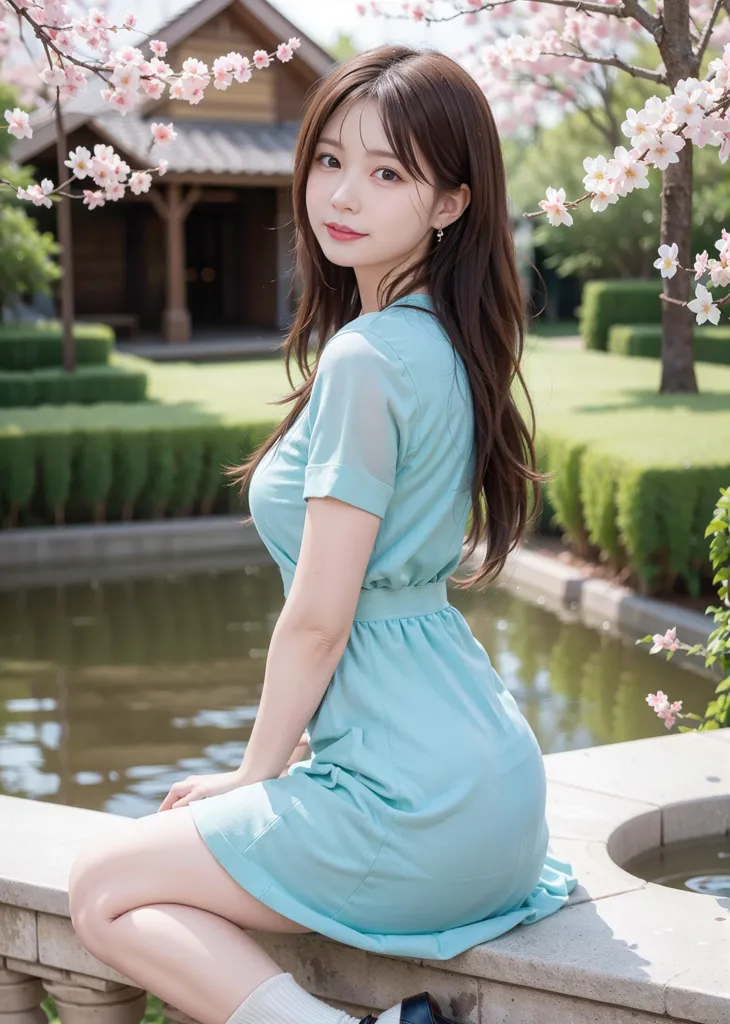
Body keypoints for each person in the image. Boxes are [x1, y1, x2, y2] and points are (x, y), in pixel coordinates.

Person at [68, 43, 577, 1024]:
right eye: (330, 160)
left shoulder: (366, 357)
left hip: (417, 808)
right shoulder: (449, 338)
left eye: (388, 173)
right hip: (495, 792)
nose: (342, 193)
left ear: (450, 203)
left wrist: (252, 779)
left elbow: (318, 620)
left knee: (100, 884)